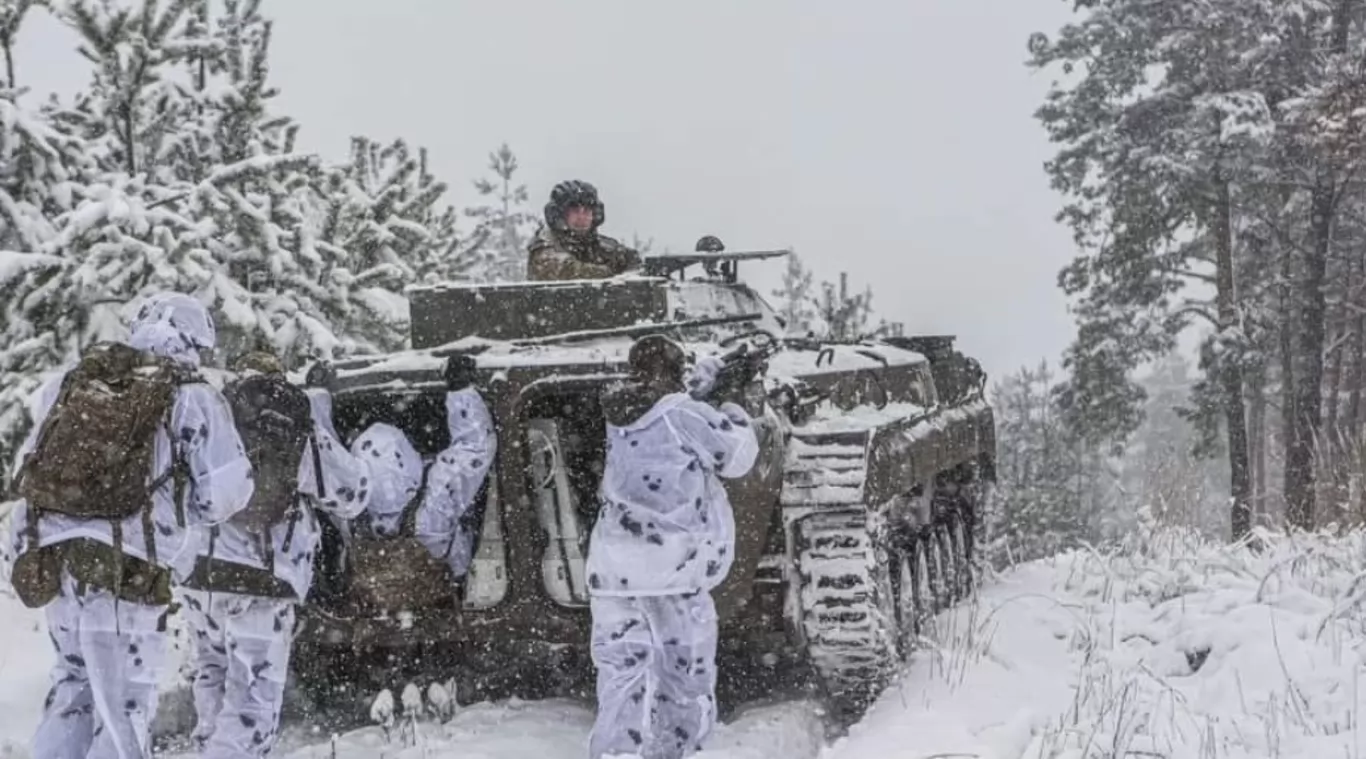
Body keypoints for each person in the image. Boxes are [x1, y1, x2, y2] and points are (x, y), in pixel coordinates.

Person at [7, 292, 255, 759]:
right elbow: (227, 493)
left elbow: (30, 465)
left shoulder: (71, 383)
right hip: (127, 572)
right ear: (193, 339)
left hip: (55, 565)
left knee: (72, 693)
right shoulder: (193, 397)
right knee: (123, 713)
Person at [177, 351, 372, 758]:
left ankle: (207, 749)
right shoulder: (290, 425)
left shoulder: (212, 414)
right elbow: (351, 494)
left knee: (211, 679)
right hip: (261, 581)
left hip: (199, 574)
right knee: (252, 702)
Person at [586, 335, 759, 759]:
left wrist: (699, 396)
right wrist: (733, 404)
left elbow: (658, 412)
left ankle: (615, 754)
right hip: (671, 570)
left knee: (621, 679)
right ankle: (676, 754)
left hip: (613, 571)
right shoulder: (684, 415)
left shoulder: (618, 413)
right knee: (683, 677)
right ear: (670, 372)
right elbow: (737, 457)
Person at [350, 355, 497, 581]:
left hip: (380, 608)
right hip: (448, 593)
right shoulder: (434, 500)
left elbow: (322, 467)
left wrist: (316, 397)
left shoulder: (353, 511)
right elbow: (475, 448)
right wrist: (461, 390)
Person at [527, 180, 641, 281]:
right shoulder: (545, 245)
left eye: (587, 210)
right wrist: (611, 273)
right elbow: (568, 272)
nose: (582, 217)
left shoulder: (601, 246)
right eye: (575, 211)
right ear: (561, 214)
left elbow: (632, 261)